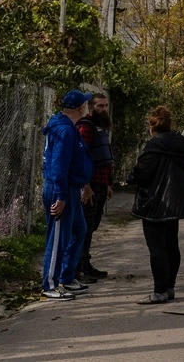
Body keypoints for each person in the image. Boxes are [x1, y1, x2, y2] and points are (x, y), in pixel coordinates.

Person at [127, 106, 184, 305]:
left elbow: (143, 171)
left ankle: (159, 291)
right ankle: (169, 286)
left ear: (151, 126)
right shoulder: (180, 143)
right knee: (171, 244)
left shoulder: (154, 145)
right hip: (174, 201)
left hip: (155, 201)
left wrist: (131, 177)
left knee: (156, 248)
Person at [41, 90, 94, 301]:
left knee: (79, 229)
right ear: (80, 108)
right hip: (60, 189)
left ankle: (67, 276)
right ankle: (50, 284)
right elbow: (59, 166)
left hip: (69, 188)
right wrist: (61, 197)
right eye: (86, 104)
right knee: (57, 238)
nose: (88, 107)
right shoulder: (64, 130)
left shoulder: (66, 127)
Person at [76, 93, 114, 284]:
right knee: (84, 227)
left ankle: (85, 263)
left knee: (92, 226)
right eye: (100, 106)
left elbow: (105, 158)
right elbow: (81, 157)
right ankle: (78, 267)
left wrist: (108, 184)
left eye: (106, 106)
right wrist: (86, 186)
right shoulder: (86, 127)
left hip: (100, 184)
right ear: (91, 107)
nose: (104, 109)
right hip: (89, 186)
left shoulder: (102, 128)